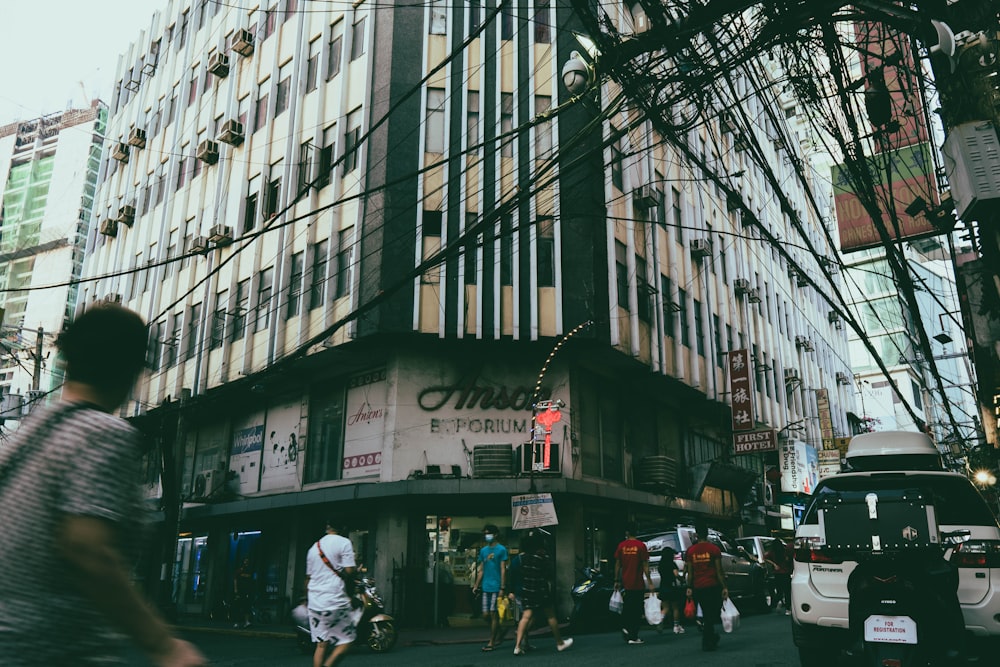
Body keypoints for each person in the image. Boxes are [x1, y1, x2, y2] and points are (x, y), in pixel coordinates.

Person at [0, 304, 207, 666]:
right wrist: (164, 646)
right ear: (130, 370)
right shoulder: (100, 433)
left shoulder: (30, 433)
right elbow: (88, 549)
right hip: (55, 649)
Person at [306, 519, 358, 667]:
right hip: (335, 600)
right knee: (348, 640)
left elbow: (308, 578)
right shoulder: (344, 542)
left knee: (321, 645)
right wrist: (355, 568)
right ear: (343, 528)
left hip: (315, 601)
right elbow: (349, 571)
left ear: (327, 528)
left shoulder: (313, 548)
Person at [512, 531, 573, 655]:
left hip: (527, 590)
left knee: (525, 617)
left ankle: (517, 646)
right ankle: (560, 643)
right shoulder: (543, 558)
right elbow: (548, 574)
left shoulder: (521, 557)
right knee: (551, 616)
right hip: (541, 590)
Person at [685, 522, 728, 652]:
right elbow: (719, 570)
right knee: (712, 613)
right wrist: (724, 587)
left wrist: (689, 587)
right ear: (707, 534)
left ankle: (711, 638)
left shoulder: (691, 551)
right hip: (713, 586)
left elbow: (690, 573)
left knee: (706, 612)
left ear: (696, 534)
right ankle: (708, 640)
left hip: (698, 587)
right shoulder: (714, 549)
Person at [614, 522, 655, 645]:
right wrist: (650, 582)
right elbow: (645, 566)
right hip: (637, 583)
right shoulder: (641, 546)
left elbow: (617, 565)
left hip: (626, 583)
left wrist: (616, 580)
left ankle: (626, 628)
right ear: (636, 532)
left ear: (627, 532)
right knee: (637, 610)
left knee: (628, 607)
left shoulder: (621, 546)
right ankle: (633, 635)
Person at [472, 523, 508, 651]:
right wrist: (476, 585)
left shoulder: (502, 549)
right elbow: (481, 570)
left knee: (493, 614)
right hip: (485, 587)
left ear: (495, 534)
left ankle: (492, 642)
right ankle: (500, 631)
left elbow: (503, 569)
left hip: (496, 587)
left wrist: (502, 587)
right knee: (486, 615)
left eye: (488, 533)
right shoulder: (483, 551)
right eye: (485, 533)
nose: (486, 536)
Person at [656, 547, 686, 634]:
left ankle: (660, 619)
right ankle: (676, 626)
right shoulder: (672, 564)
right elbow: (676, 574)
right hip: (672, 586)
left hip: (663, 586)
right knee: (675, 608)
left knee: (665, 608)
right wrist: (682, 579)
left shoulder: (660, 565)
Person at [764, 538, 793, 614]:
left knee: (779, 590)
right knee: (787, 592)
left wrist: (774, 564)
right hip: (786, 573)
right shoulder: (785, 551)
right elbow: (790, 560)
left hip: (777, 574)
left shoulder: (772, 552)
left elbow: (765, 557)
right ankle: (787, 609)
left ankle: (779, 601)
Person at [233, 557, 256, 627]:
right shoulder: (239, 570)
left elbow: (252, 581)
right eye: (245, 561)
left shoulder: (250, 571)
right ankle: (237, 622)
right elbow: (235, 580)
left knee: (247, 606)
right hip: (240, 591)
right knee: (238, 606)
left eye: (247, 561)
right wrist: (236, 590)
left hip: (247, 591)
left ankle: (246, 621)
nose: (246, 563)